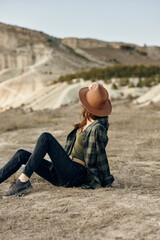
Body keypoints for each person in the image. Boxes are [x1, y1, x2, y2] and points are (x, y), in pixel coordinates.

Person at [0, 83, 117, 198]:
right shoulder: (88, 119)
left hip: (76, 174)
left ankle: (23, 182)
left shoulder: (98, 128)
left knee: (46, 138)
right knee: (22, 154)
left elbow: (101, 156)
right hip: (62, 172)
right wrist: (95, 91)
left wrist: (108, 180)